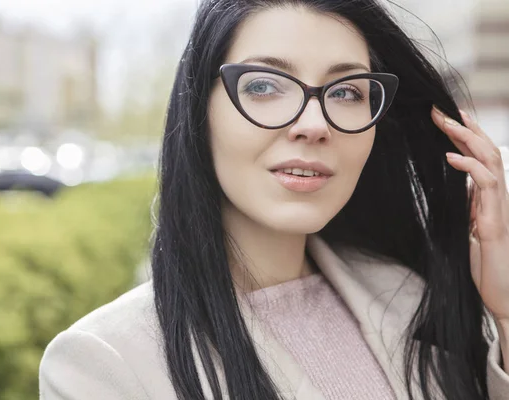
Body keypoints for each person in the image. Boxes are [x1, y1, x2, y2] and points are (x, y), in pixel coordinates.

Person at [39, 0, 509, 399]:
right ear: (199, 111)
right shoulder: (103, 362)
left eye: (346, 91)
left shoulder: (411, 296)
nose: (314, 124)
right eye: (263, 85)